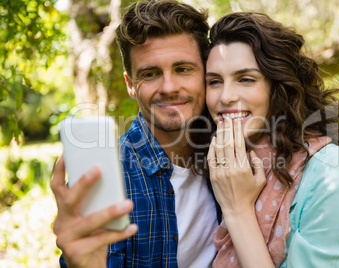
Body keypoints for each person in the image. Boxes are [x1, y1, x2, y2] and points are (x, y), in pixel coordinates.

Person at [51, 0, 219, 267]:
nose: (169, 87)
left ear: (206, 73)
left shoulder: (231, 148)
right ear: (131, 84)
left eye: (183, 69)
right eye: (151, 74)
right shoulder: (107, 179)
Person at [205, 12, 339, 267]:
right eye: (214, 81)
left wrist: (238, 211)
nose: (226, 96)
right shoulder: (227, 166)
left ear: (278, 85)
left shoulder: (335, 174)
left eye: (246, 79)